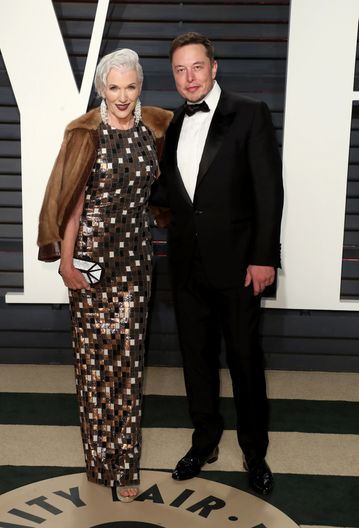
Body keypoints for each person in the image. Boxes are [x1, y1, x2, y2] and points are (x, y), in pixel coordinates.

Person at [37, 49, 172, 502]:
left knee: (129, 365)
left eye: (130, 87)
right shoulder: (84, 133)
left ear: (140, 88)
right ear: (101, 89)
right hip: (91, 262)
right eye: (113, 87)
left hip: (135, 262)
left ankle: (126, 463)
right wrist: (66, 262)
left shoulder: (154, 130)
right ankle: (99, 461)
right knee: (94, 366)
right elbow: (73, 203)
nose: (122, 96)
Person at [152, 33, 283, 495]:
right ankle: (204, 440)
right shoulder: (168, 124)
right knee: (196, 360)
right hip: (186, 265)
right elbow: (169, 194)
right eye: (180, 70)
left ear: (214, 66)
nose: (189, 78)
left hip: (239, 266)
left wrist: (264, 257)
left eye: (197, 67)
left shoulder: (250, 113)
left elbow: (269, 191)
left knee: (246, 362)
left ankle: (254, 450)